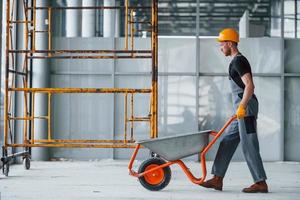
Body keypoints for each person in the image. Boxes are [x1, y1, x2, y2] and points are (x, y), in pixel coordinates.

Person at [200, 28, 268, 193]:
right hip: (241, 109)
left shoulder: (239, 61)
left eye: (222, 44)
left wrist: (242, 107)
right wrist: (239, 108)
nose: (220, 47)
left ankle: (260, 182)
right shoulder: (235, 61)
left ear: (229, 43)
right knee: (227, 141)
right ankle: (217, 179)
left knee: (249, 145)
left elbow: (250, 86)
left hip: (247, 109)